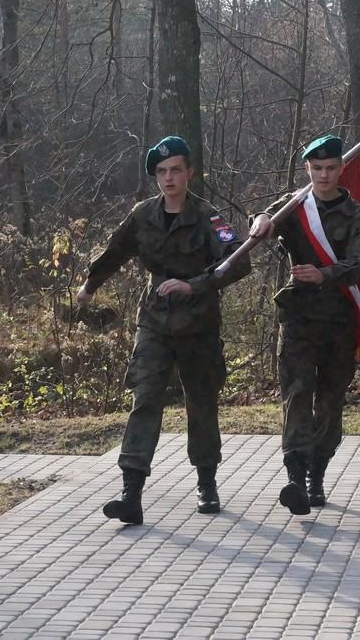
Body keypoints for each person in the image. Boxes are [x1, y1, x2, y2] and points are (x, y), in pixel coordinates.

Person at [77, 136, 250, 524]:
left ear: (190, 173)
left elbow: (238, 261)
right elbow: (115, 251)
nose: (168, 178)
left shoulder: (208, 217)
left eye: (175, 170)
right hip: (155, 320)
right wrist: (91, 285)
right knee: (145, 398)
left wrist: (195, 284)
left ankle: (207, 483)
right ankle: (131, 492)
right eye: (161, 171)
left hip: (198, 323)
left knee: (201, 402)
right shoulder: (143, 215)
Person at [248, 135, 360, 515]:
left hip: (338, 322)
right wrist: (261, 219)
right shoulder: (296, 206)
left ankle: (317, 471)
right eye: (316, 168)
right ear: (307, 169)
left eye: (331, 168)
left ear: (341, 169)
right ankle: (296, 476)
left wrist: (324, 274)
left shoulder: (355, 215)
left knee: (330, 403)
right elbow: (265, 220)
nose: (324, 175)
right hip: (299, 318)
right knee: (297, 394)